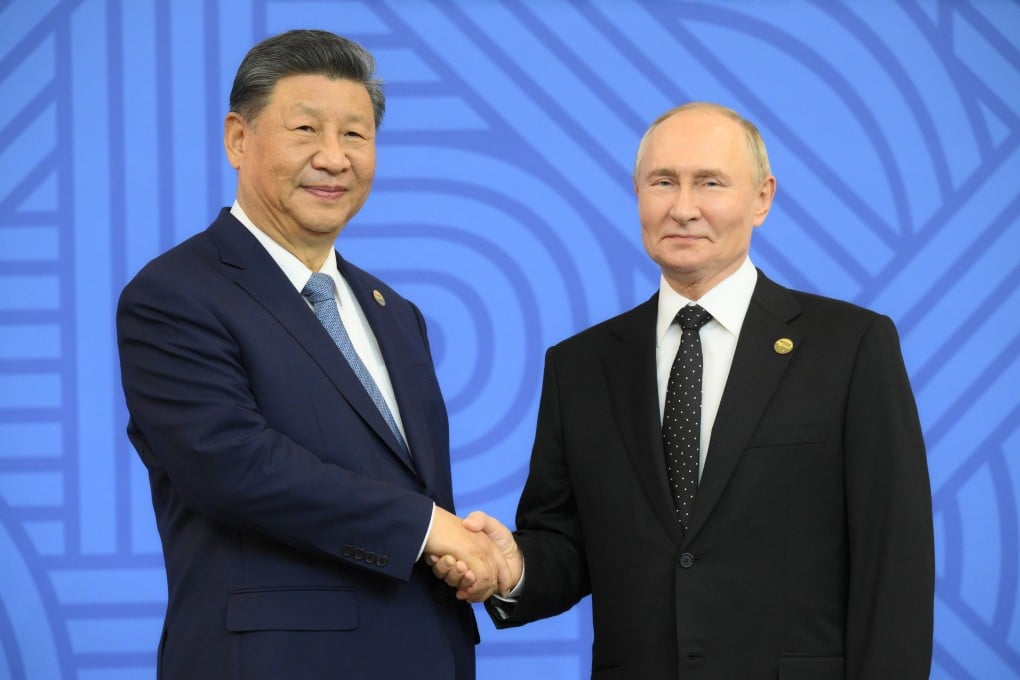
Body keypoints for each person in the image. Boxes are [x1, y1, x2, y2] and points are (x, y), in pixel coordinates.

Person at [435, 102, 935, 679]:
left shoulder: (850, 346)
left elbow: (894, 562)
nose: (683, 208)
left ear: (762, 198)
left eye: (711, 183)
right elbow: (569, 547)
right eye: (663, 182)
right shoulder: (580, 365)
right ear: (638, 194)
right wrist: (512, 567)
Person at [116, 30, 506, 679]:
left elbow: (410, 492)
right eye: (305, 130)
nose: (334, 158)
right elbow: (233, 465)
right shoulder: (174, 294)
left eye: (355, 135)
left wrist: (459, 552)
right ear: (238, 138)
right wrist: (427, 527)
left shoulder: (394, 312)